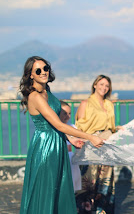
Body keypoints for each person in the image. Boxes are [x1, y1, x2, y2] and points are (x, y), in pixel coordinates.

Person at [19, 56, 103, 214]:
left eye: (45, 68)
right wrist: (90, 137)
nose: (43, 72)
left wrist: (69, 138)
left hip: (57, 143)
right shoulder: (35, 96)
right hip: (46, 147)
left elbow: (55, 124)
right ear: (31, 75)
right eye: (38, 70)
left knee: (58, 189)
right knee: (46, 190)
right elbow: (57, 124)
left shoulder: (47, 91)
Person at [75, 75, 118, 214]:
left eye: (107, 86)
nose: (104, 88)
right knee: (89, 181)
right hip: (91, 145)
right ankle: (86, 210)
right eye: (101, 84)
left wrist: (118, 129)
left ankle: (103, 211)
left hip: (107, 146)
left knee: (105, 182)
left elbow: (109, 127)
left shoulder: (109, 105)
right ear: (94, 85)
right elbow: (79, 128)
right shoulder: (85, 103)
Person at [60, 101, 82, 193]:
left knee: (72, 188)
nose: (67, 116)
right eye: (64, 113)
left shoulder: (72, 127)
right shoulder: (53, 129)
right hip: (60, 159)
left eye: (69, 113)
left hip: (71, 160)